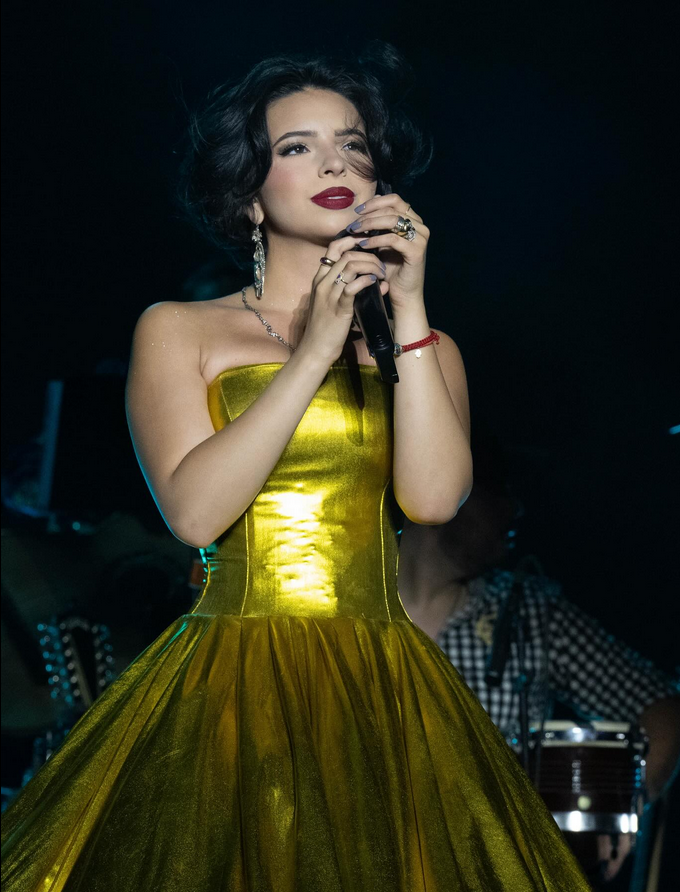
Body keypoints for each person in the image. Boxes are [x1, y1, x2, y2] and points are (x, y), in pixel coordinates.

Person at [1, 46, 589, 890]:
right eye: (296, 147)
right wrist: (312, 351)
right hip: (235, 670)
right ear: (248, 196)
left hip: (382, 675)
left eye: (352, 144)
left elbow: (432, 501)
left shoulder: (428, 347)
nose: (334, 164)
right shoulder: (178, 329)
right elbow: (194, 516)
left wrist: (409, 307)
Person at [398, 464, 680, 884]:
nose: (514, 508)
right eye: (498, 490)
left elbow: (665, 711)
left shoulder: (530, 611)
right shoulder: (343, 603)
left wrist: (623, 806)